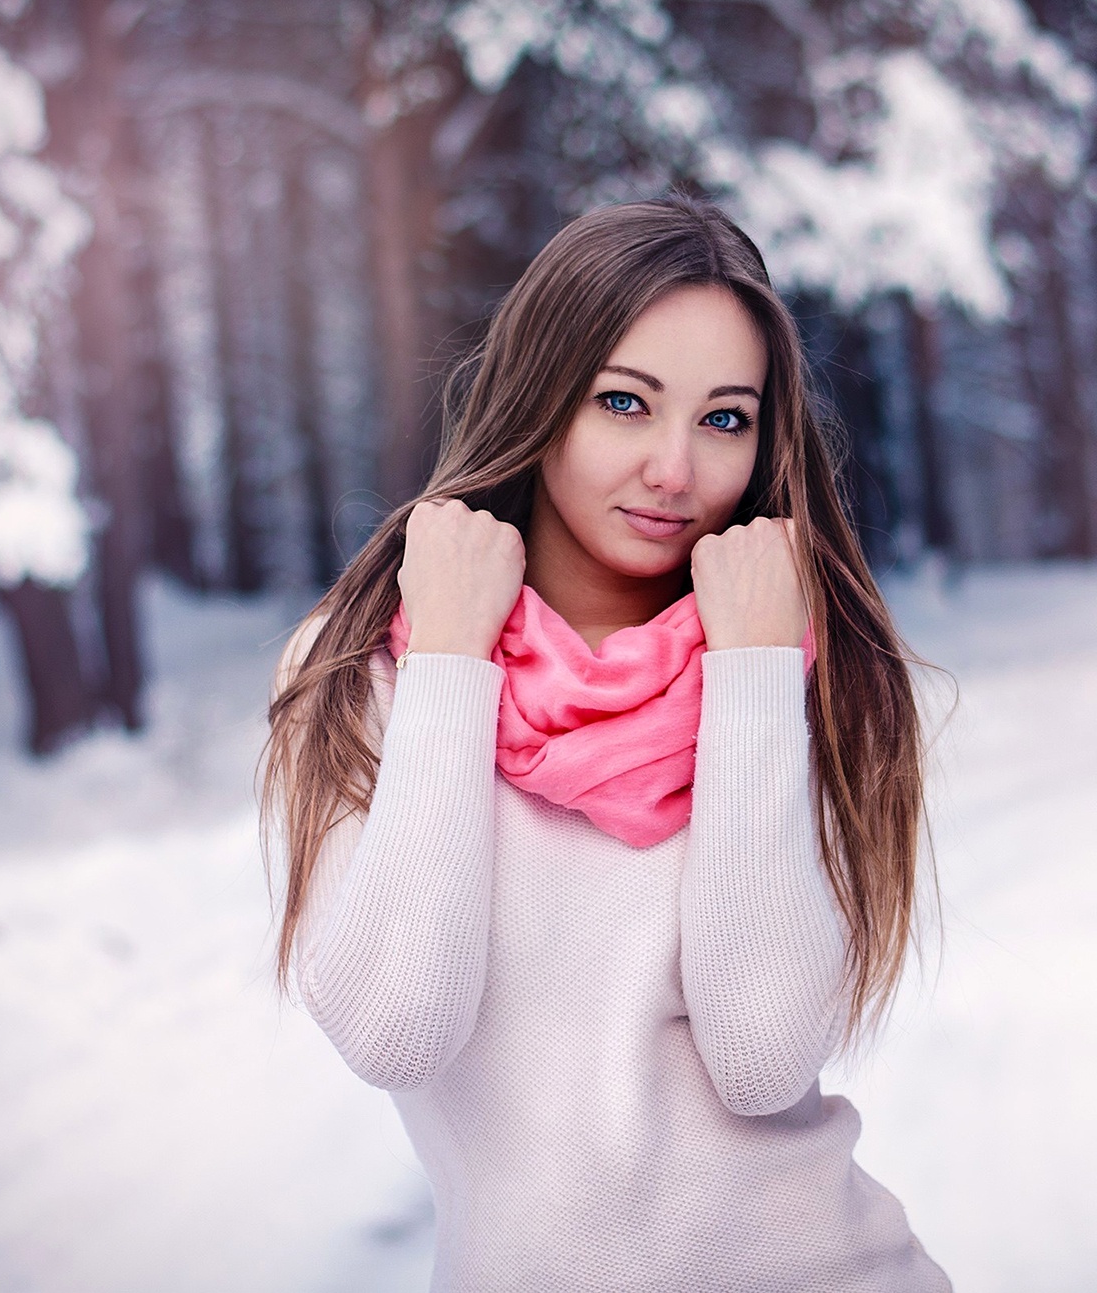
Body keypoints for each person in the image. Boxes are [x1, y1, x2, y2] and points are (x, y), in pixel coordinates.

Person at [262, 195, 950, 1291]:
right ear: (538, 397)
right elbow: (396, 1028)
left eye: (724, 418)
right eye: (623, 402)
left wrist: (755, 675)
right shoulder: (367, 663)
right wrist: (450, 658)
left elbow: (763, 1053)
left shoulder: (793, 664)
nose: (674, 471)